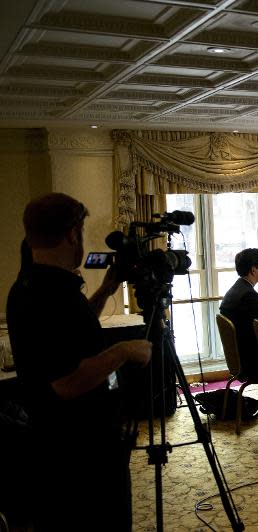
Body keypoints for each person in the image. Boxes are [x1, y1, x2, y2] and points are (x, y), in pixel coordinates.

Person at [6, 193, 152, 531]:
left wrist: (105, 290)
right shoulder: (52, 295)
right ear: (73, 232)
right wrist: (125, 350)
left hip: (57, 443)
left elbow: (72, 337)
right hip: (81, 451)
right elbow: (67, 382)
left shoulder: (30, 285)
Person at [219, 248, 258, 383]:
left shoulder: (235, 291)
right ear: (253, 270)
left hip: (240, 360)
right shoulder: (250, 296)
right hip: (254, 363)